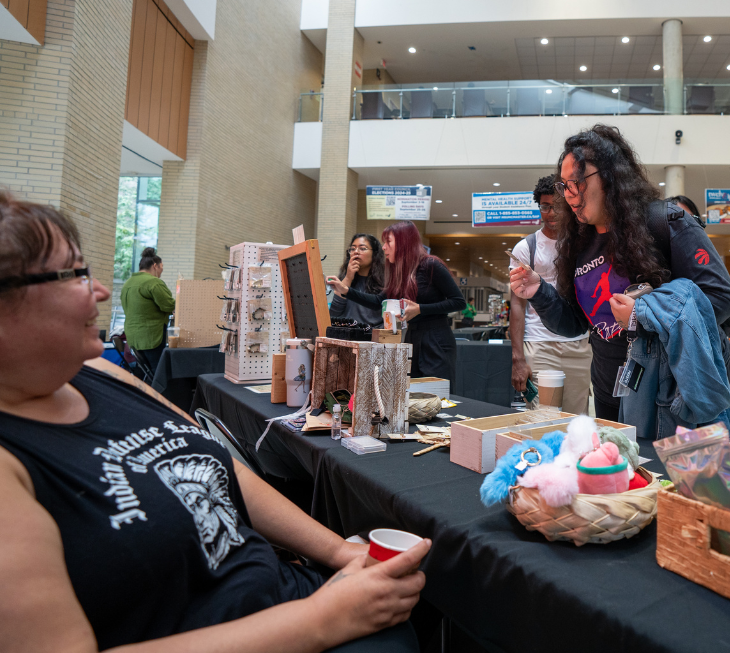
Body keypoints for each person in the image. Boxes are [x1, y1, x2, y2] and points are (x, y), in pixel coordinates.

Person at [0, 193, 430, 652]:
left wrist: (341, 552)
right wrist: (326, 616)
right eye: (77, 274)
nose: (101, 290)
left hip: (289, 597)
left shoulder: (102, 376)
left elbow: (226, 470)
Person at [509, 125, 730, 423]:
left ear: (610, 175)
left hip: (667, 395)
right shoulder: (578, 243)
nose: (569, 194)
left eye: (577, 181)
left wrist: (643, 314)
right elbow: (576, 324)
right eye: (563, 185)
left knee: (664, 472)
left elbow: (721, 298)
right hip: (609, 390)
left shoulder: (665, 222)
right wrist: (539, 291)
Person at [326, 221, 466, 384]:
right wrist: (346, 290)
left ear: (403, 243)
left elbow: (458, 302)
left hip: (436, 339)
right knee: (412, 392)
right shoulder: (399, 272)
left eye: (388, 242)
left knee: (436, 394)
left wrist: (420, 309)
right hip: (412, 337)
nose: (384, 247)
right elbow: (379, 301)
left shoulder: (430, 265)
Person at [509, 175, 593, 415]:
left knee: (578, 419)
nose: (552, 213)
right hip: (540, 343)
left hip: (578, 343)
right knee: (543, 417)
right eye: (545, 207)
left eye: (557, 206)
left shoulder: (583, 243)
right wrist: (517, 358)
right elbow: (517, 305)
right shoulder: (526, 247)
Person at [120, 246, 175, 373]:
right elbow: (168, 305)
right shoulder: (153, 282)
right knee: (159, 373)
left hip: (133, 338)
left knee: (146, 372)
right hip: (150, 337)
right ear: (155, 266)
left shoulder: (128, 283)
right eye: (161, 268)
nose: (161, 272)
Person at [330, 234, 385, 327]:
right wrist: (348, 277)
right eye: (352, 249)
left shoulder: (384, 281)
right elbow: (334, 313)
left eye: (362, 248)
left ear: (374, 253)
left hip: (374, 337)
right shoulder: (343, 279)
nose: (356, 252)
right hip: (347, 335)